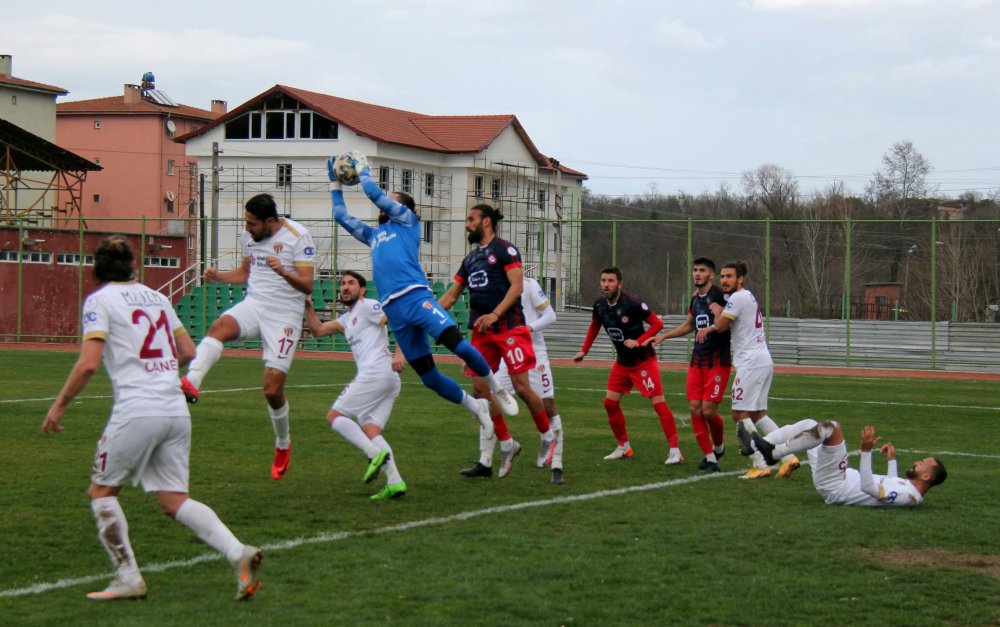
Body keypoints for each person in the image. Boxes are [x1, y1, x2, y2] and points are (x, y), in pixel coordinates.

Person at [42, 236, 262, 601]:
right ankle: (238, 552)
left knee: (102, 493)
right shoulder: (158, 297)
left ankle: (129, 577)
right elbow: (188, 350)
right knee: (174, 500)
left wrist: (60, 405)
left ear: (96, 269)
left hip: (138, 409)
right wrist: (158, 370)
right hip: (174, 409)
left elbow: (88, 362)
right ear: (134, 267)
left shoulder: (99, 300)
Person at [327, 151, 518, 444]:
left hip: (416, 298)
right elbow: (340, 215)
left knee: (459, 346)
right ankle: (476, 407)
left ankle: (497, 389)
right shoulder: (374, 235)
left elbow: (374, 194)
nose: (386, 203)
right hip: (395, 310)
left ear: (403, 207)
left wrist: (363, 170)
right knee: (429, 378)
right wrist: (334, 182)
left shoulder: (406, 221)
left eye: (393, 198)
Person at [181, 193, 315, 481]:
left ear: (270, 221)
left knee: (271, 389)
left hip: (285, 317)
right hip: (255, 305)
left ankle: (282, 444)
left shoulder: (298, 235)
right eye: (246, 222)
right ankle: (191, 382)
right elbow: (245, 273)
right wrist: (219, 277)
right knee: (219, 326)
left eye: (252, 223)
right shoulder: (249, 236)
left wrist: (283, 273)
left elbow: (307, 285)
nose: (248, 228)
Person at [439, 209, 556, 481]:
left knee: (521, 387)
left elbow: (516, 287)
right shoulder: (469, 260)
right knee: (480, 390)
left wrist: (495, 314)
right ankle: (507, 443)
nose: (467, 225)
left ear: (486, 221)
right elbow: (451, 295)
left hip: (509, 328)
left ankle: (547, 436)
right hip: (482, 332)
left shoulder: (505, 250)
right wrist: (425, 311)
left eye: (470, 220)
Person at [303, 270, 407, 500]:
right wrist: (308, 306)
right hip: (387, 379)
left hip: (376, 372)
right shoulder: (346, 320)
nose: (345, 287)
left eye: (351, 283)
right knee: (371, 430)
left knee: (334, 416)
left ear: (362, 290)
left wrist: (400, 353)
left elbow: (398, 320)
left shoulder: (368, 306)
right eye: (342, 284)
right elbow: (318, 330)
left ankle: (373, 454)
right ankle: (395, 482)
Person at [695, 260, 799, 480]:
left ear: (740, 279)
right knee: (757, 414)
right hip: (762, 360)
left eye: (729, 276)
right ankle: (788, 457)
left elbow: (722, 326)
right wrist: (722, 310)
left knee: (739, 414)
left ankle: (760, 464)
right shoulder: (746, 296)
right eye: (722, 276)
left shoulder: (738, 297)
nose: (724, 280)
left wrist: (714, 317)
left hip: (751, 363)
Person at [573, 266, 682, 464]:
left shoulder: (633, 304)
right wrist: (584, 350)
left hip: (643, 362)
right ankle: (624, 447)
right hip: (622, 364)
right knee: (610, 403)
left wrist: (640, 340)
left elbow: (658, 324)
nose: (606, 285)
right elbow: (595, 325)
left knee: (658, 404)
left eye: (611, 281)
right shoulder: (599, 305)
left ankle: (675, 451)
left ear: (619, 284)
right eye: (604, 281)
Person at [740, 420, 947, 506]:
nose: (917, 462)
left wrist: (866, 452)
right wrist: (891, 460)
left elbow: (869, 488)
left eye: (922, 463)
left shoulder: (909, 497)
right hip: (837, 478)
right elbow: (890, 482)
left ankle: (774, 454)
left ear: (926, 476)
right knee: (811, 425)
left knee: (832, 428)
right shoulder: (908, 488)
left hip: (837, 484)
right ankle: (758, 445)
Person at [648, 257, 730, 473]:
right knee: (695, 409)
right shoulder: (695, 300)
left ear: (711, 275)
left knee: (709, 411)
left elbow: (728, 323)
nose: (697, 274)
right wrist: (664, 337)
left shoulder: (721, 296)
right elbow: (689, 325)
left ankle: (719, 446)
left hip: (718, 361)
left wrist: (720, 313)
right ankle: (710, 458)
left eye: (702, 270)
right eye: (695, 270)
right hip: (697, 361)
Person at [494, 276, 566, 484]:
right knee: (490, 401)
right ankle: (488, 459)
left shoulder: (528, 284)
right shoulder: (494, 285)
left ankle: (557, 465)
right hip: (507, 352)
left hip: (534, 352)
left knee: (548, 405)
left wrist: (528, 328)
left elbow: (550, 316)